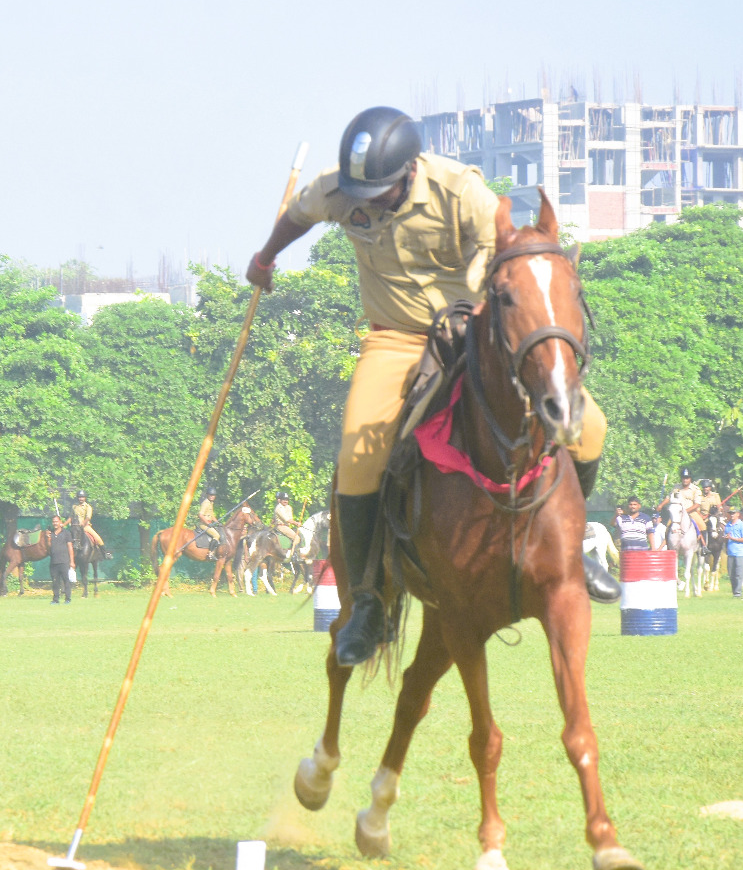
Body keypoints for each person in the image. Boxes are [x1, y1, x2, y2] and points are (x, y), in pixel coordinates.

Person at [246, 106, 616, 666]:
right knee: (358, 455)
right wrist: (267, 256)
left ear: (411, 171)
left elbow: (511, 249)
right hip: (394, 338)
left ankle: (571, 550)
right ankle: (368, 600)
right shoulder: (338, 190)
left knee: (589, 430)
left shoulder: (461, 191)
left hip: (471, 330)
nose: (367, 201)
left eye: (380, 189)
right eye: (360, 191)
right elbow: (299, 214)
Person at [722, 510, 743, 598]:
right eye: (730, 513)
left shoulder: (742, 525)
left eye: (733, 513)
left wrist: (732, 538)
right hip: (730, 552)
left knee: (739, 573)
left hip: (740, 552)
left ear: (738, 514)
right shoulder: (728, 525)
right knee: (731, 574)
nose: (732, 515)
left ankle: (738, 592)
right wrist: (726, 539)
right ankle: (735, 592)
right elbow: (727, 537)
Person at [48, 515, 75, 604]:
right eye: (53, 522)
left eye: (56, 521)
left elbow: (70, 547)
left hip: (64, 561)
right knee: (55, 582)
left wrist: (72, 561)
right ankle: (55, 599)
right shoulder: (50, 533)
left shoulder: (66, 533)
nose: (55, 523)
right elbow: (48, 547)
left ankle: (67, 599)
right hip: (54, 562)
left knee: (66, 580)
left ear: (60, 522)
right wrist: (47, 538)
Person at [197, 487, 222, 553]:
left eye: (213, 495)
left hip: (209, 523)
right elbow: (200, 514)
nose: (212, 496)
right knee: (216, 535)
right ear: (207, 495)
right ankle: (210, 553)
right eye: (210, 495)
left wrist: (218, 522)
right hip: (204, 524)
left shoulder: (211, 503)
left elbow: (212, 515)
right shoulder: (206, 503)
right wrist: (208, 523)